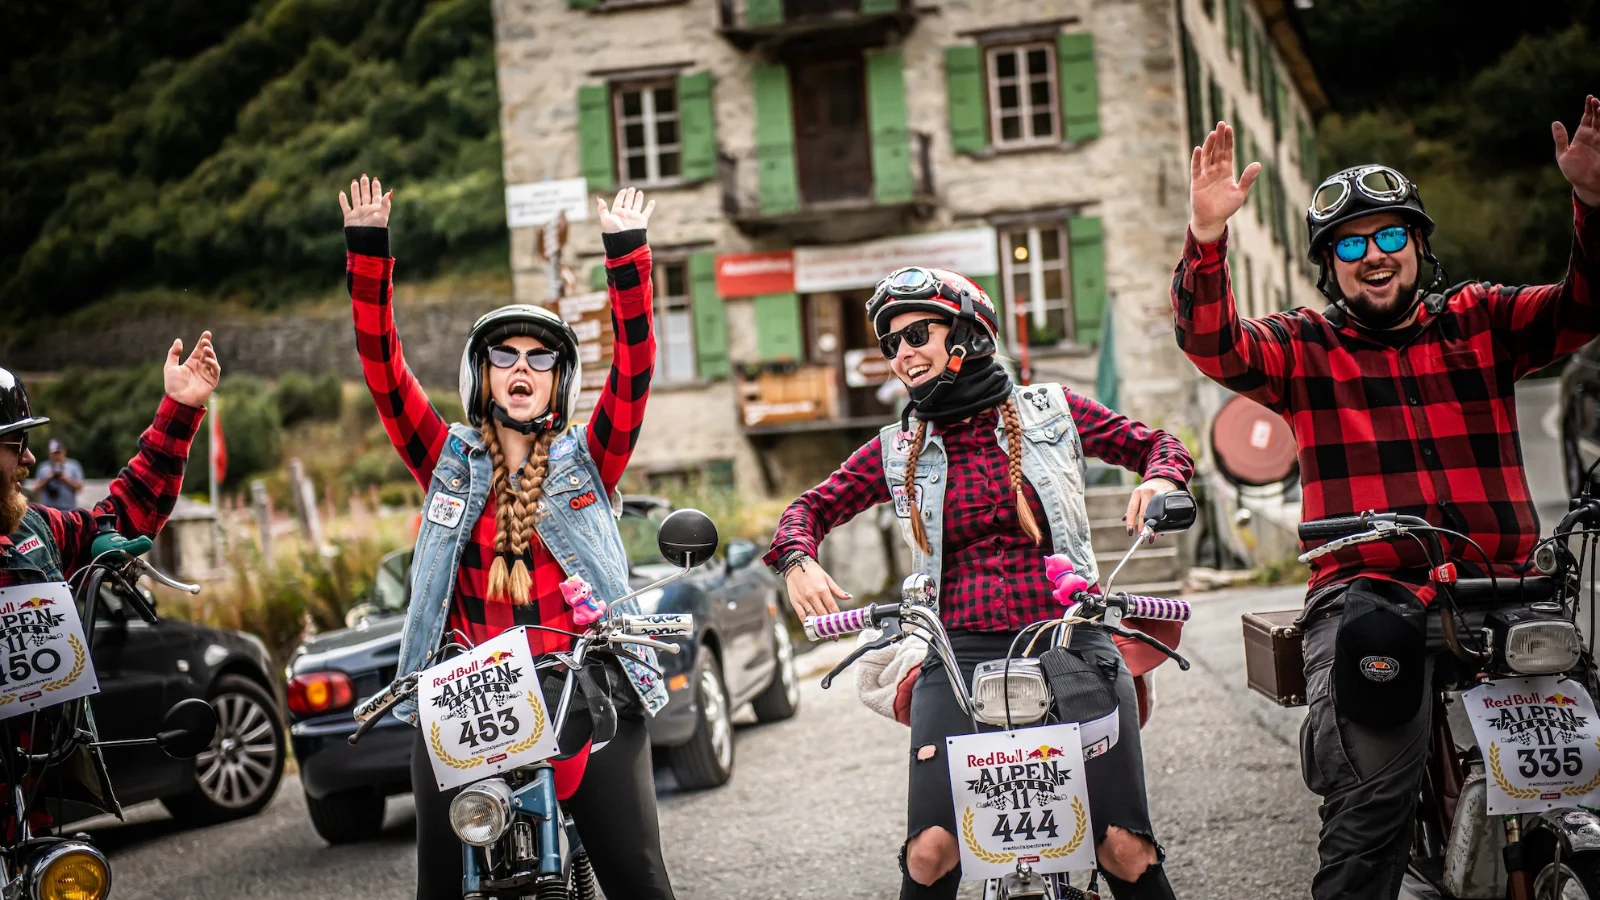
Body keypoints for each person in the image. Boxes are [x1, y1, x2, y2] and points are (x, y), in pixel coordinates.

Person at [1171, 95, 1600, 900]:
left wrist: (1591, 204)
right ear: (1329, 267)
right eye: (1351, 244)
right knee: (1371, 807)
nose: (1375, 253)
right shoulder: (1302, 345)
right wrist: (1206, 240)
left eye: (1392, 234)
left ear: (1419, 246)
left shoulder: (1480, 320)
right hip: (1369, 594)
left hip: (1504, 586)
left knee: (1583, 764)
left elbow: (1582, 306)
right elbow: (1212, 341)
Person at [765, 267, 1194, 900]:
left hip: (1071, 638)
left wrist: (1160, 481)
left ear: (966, 335)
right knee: (932, 853)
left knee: (1124, 850)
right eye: (890, 344)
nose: (902, 353)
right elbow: (809, 508)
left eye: (917, 333)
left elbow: (1157, 444)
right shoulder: (894, 447)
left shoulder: (1053, 409)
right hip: (957, 650)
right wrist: (797, 558)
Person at [338, 175, 674, 900]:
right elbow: (385, 374)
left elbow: (637, 368)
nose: (522, 368)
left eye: (540, 358)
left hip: (582, 693)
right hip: (468, 699)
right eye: (505, 356)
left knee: (642, 883)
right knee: (438, 890)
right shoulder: (448, 460)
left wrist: (626, 256)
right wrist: (368, 253)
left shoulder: (590, 459)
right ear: (482, 376)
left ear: (560, 381)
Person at [1, 339, 219, 589]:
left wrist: (181, 409)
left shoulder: (32, 528)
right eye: (16, 443)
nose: (29, 458)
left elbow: (125, 514)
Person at [28, 440, 83, 511]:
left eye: (58, 453)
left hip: (68, 508)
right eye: (54, 453)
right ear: (49, 453)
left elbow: (80, 487)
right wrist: (48, 478)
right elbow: (35, 489)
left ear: (64, 452)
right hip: (47, 508)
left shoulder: (73, 466)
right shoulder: (43, 467)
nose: (56, 456)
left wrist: (64, 478)